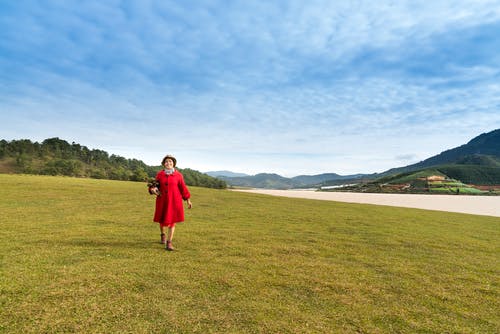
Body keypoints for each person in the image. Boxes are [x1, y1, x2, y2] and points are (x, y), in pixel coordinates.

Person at [149, 154, 192, 251]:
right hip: (162, 201)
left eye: (170, 162)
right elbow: (154, 185)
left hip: (174, 202)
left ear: (174, 164)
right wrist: (152, 189)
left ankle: (169, 243)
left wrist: (188, 200)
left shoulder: (178, 175)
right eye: (166, 162)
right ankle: (163, 235)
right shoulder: (160, 174)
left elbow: (183, 188)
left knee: (172, 222)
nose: (168, 163)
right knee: (162, 220)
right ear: (164, 164)